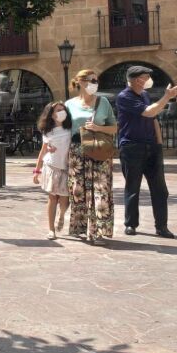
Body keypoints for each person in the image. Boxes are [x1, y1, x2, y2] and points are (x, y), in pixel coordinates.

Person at [116, 66, 177, 239]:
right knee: (133, 187)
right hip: (132, 147)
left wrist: (159, 145)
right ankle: (130, 224)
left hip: (152, 147)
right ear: (137, 80)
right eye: (146, 77)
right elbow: (149, 112)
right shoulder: (124, 96)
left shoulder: (144, 95)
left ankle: (162, 226)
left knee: (160, 189)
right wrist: (167, 97)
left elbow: (154, 119)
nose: (148, 80)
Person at [65, 69, 117, 245]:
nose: (95, 83)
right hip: (77, 152)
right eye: (91, 80)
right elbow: (63, 130)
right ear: (80, 82)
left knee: (101, 190)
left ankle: (99, 232)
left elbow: (114, 128)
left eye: (96, 80)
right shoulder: (69, 105)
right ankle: (83, 228)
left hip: (99, 151)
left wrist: (98, 128)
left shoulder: (103, 102)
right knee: (79, 191)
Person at [33, 101, 72, 240]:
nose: (61, 112)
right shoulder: (48, 132)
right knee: (52, 197)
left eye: (63, 109)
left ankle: (61, 215)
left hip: (67, 168)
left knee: (65, 198)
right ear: (51, 114)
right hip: (51, 166)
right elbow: (43, 151)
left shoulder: (70, 129)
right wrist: (37, 171)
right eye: (58, 110)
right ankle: (51, 229)